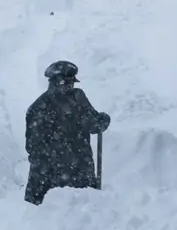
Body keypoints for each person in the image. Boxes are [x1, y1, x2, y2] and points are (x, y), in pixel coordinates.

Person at [24, 60, 111, 205]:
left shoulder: (37, 107)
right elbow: (94, 124)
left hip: (49, 179)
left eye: (72, 82)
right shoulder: (76, 98)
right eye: (69, 82)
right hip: (73, 175)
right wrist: (103, 119)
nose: (71, 86)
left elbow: (33, 148)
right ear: (58, 81)